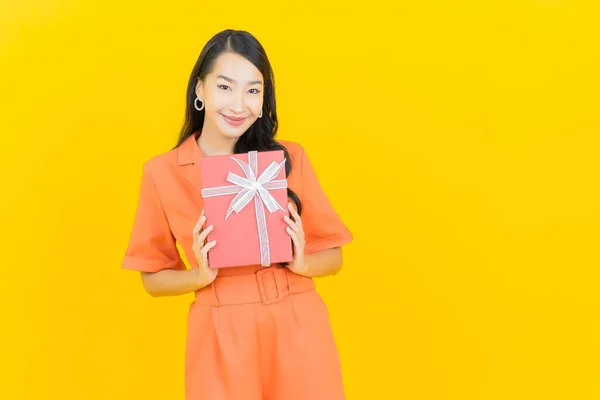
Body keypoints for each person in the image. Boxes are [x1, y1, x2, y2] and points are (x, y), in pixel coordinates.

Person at [122, 29, 353, 400]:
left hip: (298, 320)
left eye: (253, 90)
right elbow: (152, 278)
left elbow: (334, 256)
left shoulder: (289, 159)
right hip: (218, 326)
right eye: (225, 87)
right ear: (200, 90)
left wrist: (302, 263)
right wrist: (198, 276)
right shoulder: (162, 172)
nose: (238, 104)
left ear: (264, 100)